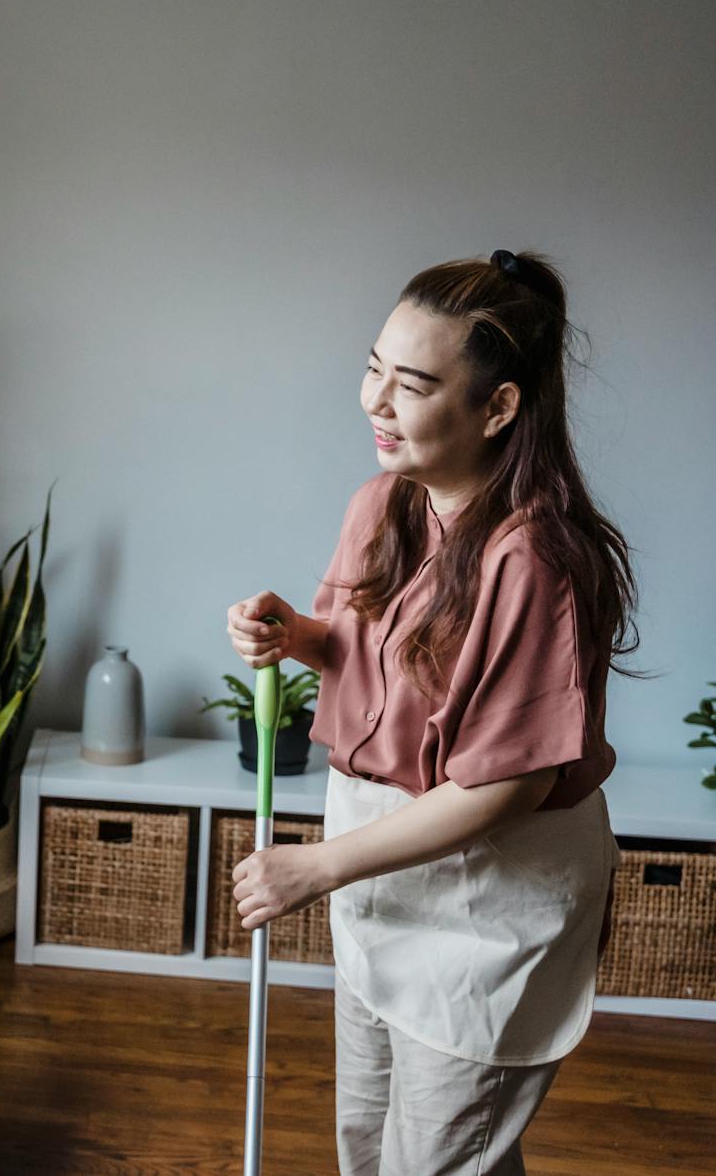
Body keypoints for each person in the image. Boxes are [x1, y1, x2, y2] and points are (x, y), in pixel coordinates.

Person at [225, 250, 634, 1175]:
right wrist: (297, 634)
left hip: (485, 898)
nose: (374, 400)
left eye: (411, 385)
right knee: (372, 1147)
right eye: (373, 368)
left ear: (498, 407)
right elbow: (381, 658)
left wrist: (316, 865)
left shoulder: (534, 559)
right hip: (382, 873)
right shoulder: (382, 504)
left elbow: (508, 784)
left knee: (439, 1158)